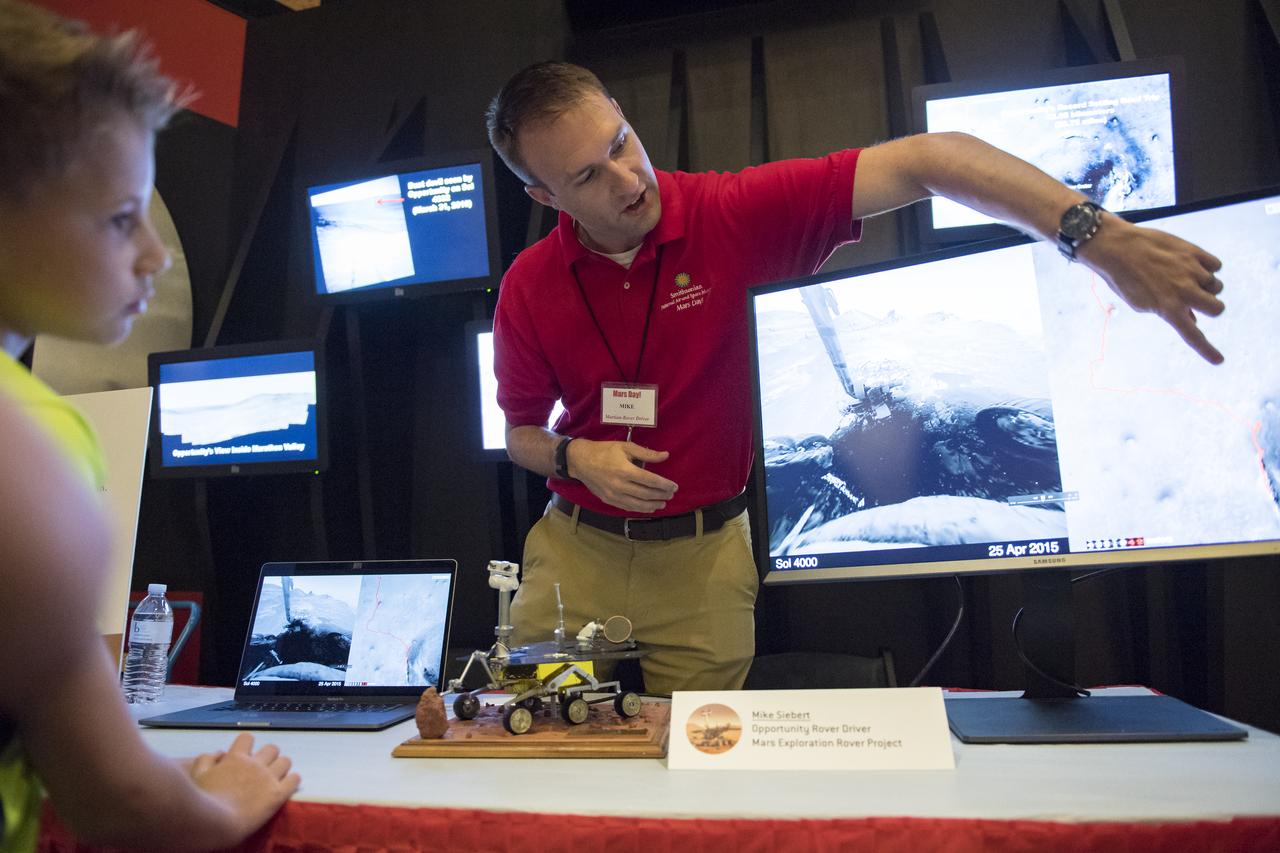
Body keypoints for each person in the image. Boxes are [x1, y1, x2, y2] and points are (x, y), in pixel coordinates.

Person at [485, 62, 1226, 695]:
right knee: (541, 736)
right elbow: (521, 433)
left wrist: (1095, 235)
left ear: (623, 115)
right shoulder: (529, 284)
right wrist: (572, 455)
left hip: (703, 560)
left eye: (621, 142)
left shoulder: (730, 212)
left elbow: (929, 159)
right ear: (545, 197)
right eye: (587, 175)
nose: (627, 180)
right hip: (574, 557)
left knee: (696, 767)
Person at [0, 2, 299, 850]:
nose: (155, 257)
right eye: (121, 217)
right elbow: (122, 804)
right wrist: (230, 799)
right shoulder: (30, 446)